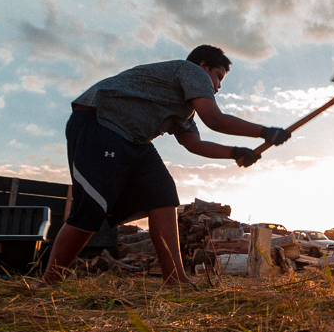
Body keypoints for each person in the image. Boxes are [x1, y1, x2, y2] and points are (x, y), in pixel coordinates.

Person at [41, 45, 291, 286]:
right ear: (203, 66)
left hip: (136, 139)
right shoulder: (190, 70)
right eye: (218, 77)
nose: (218, 87)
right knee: (92, 208)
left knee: (162, 195)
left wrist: (235, 152)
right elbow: (214, 119)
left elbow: (193, 144)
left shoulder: (183, 110)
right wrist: (264, 132)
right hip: (100, 122)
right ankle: (49, 281)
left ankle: (175, 280)